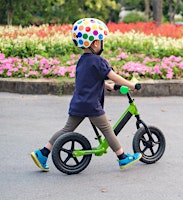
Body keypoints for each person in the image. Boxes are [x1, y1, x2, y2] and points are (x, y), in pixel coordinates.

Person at [31, 18, 142, 172]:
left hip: (78, 103)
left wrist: (107, 86)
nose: (102, 43)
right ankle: (122, 157)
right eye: (102, 40)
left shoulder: (82, 61)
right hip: (91, 105)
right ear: (95, 43)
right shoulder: (99, 61)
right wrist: (131, 84)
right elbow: (113, 75)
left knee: (66, 130)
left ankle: (43, 153)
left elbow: (88, 81)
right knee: (108, 130)